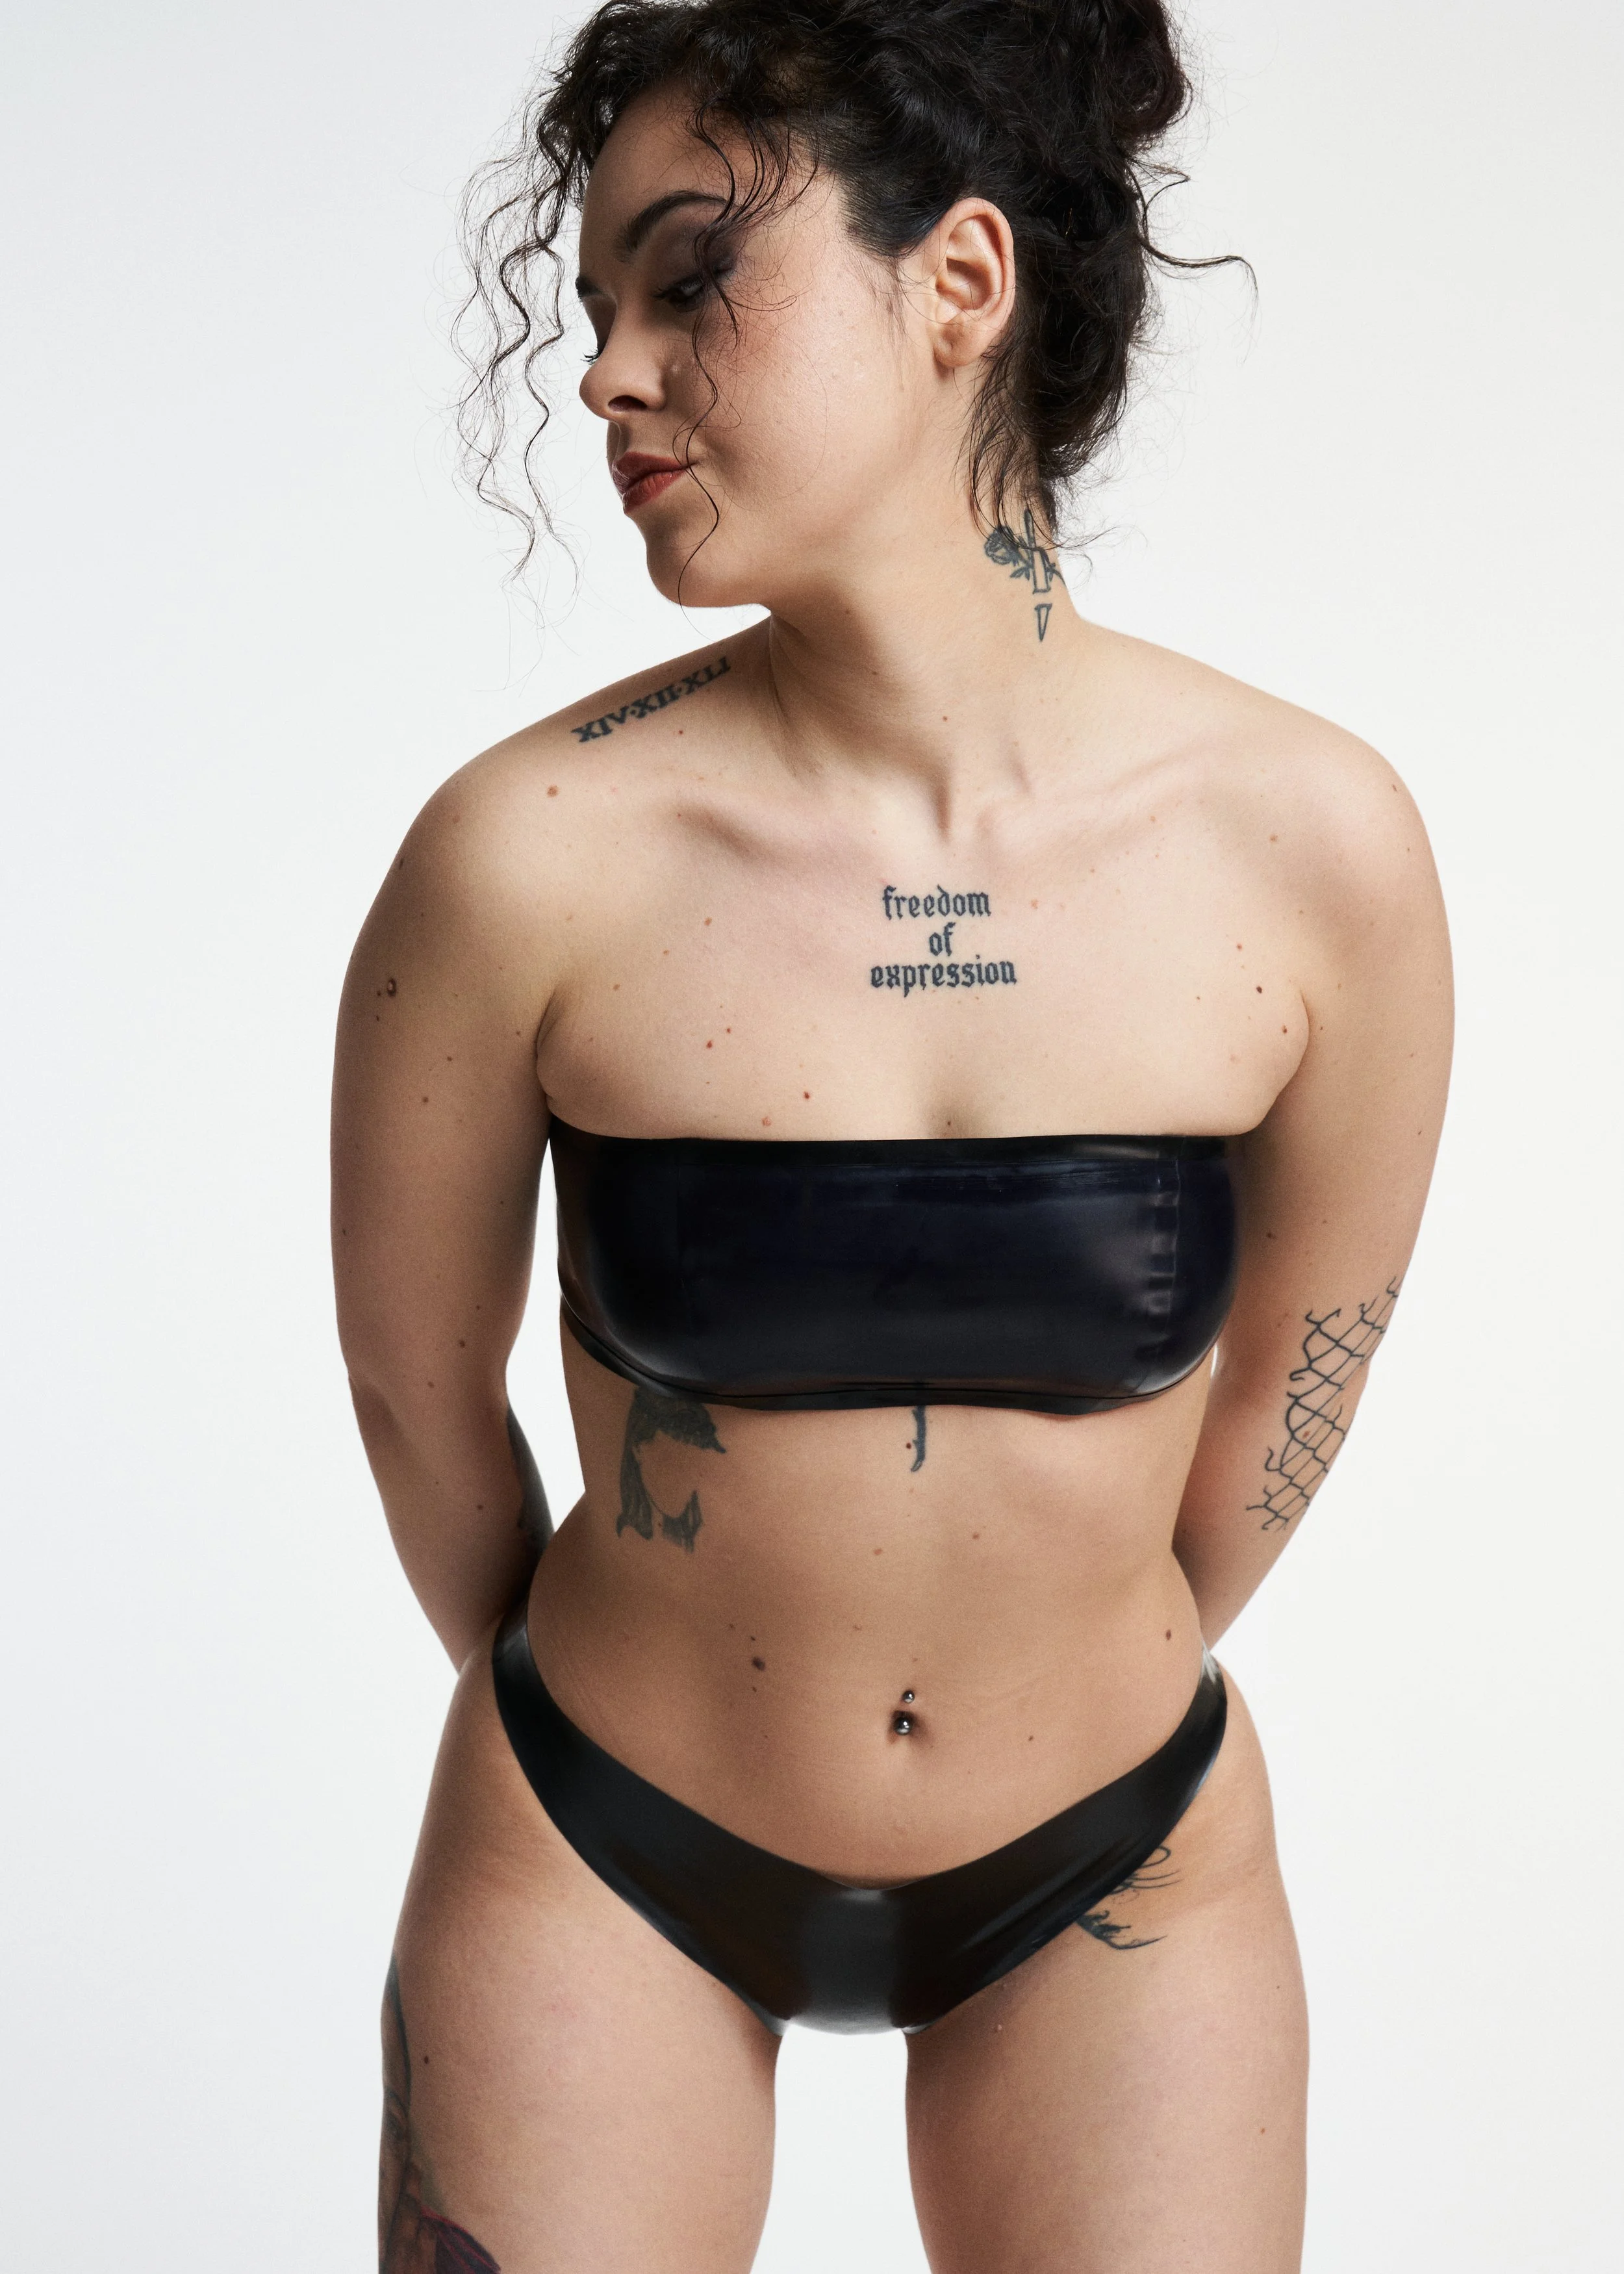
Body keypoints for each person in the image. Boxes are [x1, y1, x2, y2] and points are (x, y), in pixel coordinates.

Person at [331, 2, 1451, 2266]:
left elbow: (1293, 1380)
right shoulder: (525, 854)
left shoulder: (1308, 848)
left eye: (688, 279)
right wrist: (601, 1730)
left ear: (957, 282)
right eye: (595, 309)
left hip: (1116, 1860)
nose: (606, 375)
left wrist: (1074, 1667)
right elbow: (412, 1386)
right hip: (601, 1844)